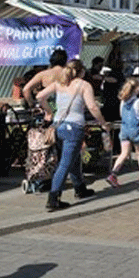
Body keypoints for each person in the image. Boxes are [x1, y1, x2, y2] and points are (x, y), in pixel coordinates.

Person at [37, 60, 109, 211]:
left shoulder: (59, 84)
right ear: (81, 71)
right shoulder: (84, 85)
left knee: (74, 159)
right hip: (74, 127)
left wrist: (49, 111)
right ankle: (53, 198)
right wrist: (103, 123)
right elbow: (92, 106)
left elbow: (39, 96)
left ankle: (80, 188)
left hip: (58, 126)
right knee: (65, 163)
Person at [106, 78, 139, 187]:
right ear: (136, 89)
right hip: (136, 130)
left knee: (124, 153)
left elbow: (121, 115)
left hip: (125, 129)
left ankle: (113, 174)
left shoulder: (122, 101)